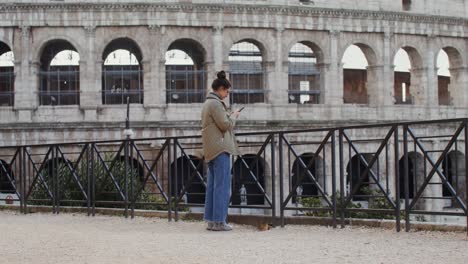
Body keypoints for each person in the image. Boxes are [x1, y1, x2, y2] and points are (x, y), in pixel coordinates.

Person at [201, 71, 241, 231]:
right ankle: (219, 221)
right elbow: (225, 125)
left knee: (212, 185)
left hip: (211, 147)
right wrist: (234, 116)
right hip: (220, 147)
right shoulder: (216, 104)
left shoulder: (207, 103)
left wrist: (228, 116)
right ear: (221, 89)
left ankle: (211, 220)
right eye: (227, 91)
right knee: (222, 186)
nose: (227, 95)